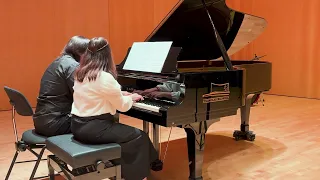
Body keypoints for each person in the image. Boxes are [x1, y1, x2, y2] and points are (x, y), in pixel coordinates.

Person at [70, 37, 159, 180]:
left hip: (77, 125)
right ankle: (137, 175)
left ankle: (143, 165)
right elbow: (123, 107)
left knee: (131, 135)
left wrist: (120, 93)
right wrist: (131, 97)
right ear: (107, 54)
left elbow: (95, 94)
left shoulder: (81, 73)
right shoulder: (104, 77)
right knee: (139, 137)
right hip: (95, 129)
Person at [33, 36, 90, 137]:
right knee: (100, 121)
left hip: (42, 121)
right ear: (81, 53)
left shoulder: (58, 62)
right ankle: (103, 151)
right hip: (56, 123)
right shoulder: (72, 66)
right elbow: (83, 96)